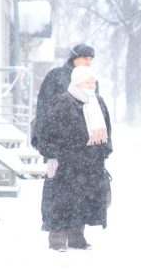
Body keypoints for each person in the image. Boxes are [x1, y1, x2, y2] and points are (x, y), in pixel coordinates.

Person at [35, 65, 112, 251]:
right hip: (67, 162)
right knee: (62, 201)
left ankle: (77, 238)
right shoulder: (63, 102)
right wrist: (53, 154)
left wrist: (105, 151)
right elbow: (46, 131)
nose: (91, 85)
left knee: (83, 200)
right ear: (77, 82)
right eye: (87, 82)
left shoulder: (97, 102)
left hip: (90, 162)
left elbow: (107, 129)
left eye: (93, 82)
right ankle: (58, 240)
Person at [30, 43, 95, 247]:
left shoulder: (92, 80)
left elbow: (95, 111)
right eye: (85, 57)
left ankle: (77, 234)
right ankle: (57, 234)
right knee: (58, 189)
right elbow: (43, 108)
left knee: (82, 189)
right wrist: (43, 140)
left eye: (91, 59)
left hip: (83, 146)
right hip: (59, 143)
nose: (88, 62)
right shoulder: (56, 76)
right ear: (74, 58)